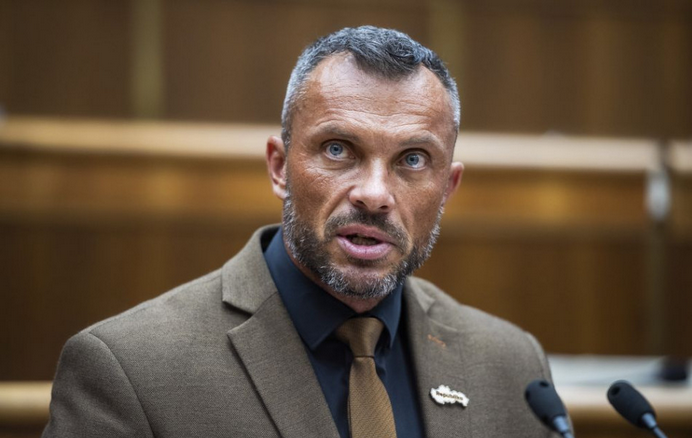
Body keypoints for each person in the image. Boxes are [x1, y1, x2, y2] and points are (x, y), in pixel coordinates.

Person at [43, 26, 557, 438]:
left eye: (413, 159)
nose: (374, 194)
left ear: (447, 187)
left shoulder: (510, 366)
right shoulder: (131, 370)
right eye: (338, 149)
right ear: (279, 166)